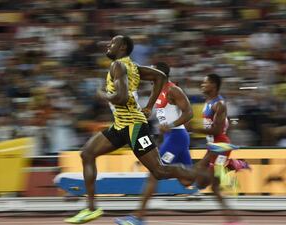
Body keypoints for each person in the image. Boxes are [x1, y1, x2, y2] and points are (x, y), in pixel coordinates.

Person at [64, 35, 205, 224]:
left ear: (122, 47)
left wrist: (102, 94)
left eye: (112, 42)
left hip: (134, 127)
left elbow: (121, 97)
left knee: (159, 172)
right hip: (120, 125)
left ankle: (201, 173)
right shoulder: (133, 67)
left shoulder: (119, 66)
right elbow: (160, 77)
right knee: (87, 154)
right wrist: (149, 106)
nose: (108, 44)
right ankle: (91, 209)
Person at [115, 62, 194, 225]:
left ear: (158, 74)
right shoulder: (157, 92)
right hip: (171, 138)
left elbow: (189, 113)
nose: (147, 74)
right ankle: (210, 172)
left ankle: (138, 218)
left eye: (151, 71)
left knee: (153, 174)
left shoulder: (173, 90)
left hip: (177, 137)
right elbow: (163, 120)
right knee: (187, 181)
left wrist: (171, 126)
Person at [190, 73, 247, 225]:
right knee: (209, 186)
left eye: (205, 83)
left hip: (221, 147)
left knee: (204, 179)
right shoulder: (208, 101)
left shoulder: (219, 104)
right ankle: (232, 219)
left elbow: (217, 130)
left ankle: (234, 165)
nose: (202, 85)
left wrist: (194, 129)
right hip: (212, 147)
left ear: (213, 85)